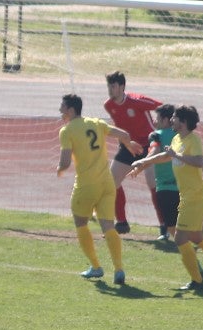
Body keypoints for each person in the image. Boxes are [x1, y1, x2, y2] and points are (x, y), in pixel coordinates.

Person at [129, 104, 203, 291]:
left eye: (175, 118)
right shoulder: (178, 138)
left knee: (179, 238)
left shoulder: (193, 140)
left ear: (184, 122)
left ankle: (198, 281)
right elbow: (165, 156)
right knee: (195, 236)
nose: (172, 120)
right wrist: (143, 163)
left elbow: (199, 162)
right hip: (187, 197)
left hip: (196, 197)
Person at [57, 93, 144, 284]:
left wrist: (59, 169)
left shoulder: (67, 130)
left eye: (62, 107)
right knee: (108, 226)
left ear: (71, 110)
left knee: (81, 223)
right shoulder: (96, 122)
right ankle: (119, 269)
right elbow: (124, 135)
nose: (60, 110)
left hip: (86, 186)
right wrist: (130, 146)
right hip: (107, 184)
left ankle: (96, 267)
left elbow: (64, 162)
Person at [102, 71, 165, 235]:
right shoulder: (109, 105)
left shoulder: (137, 101)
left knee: (153, 184)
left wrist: (160, 126)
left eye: (113, 86)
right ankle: (122, 223)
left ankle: (165, 226)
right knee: (111, 181)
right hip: (128, 146)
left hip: (149, 146)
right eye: (108, 86)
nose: (110, 89)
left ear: (122, 87)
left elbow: (161, 106)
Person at [145, 104, 179, 243]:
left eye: (157, 118)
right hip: (185, 187)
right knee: (191, 227)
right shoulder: (181, 134)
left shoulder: (156, 135)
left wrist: (141, 163)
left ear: (165, 120)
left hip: (165, 189)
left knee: (172, 227)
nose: (154, 121)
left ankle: (185, 248)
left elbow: (154, 151)